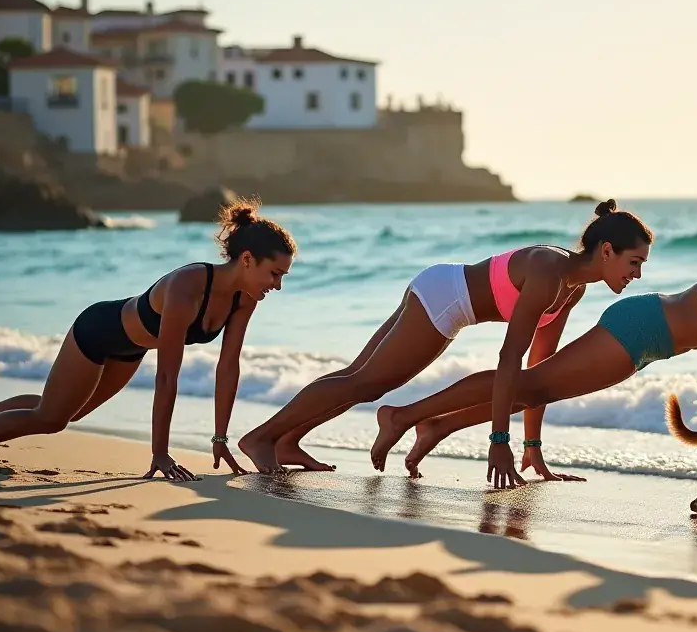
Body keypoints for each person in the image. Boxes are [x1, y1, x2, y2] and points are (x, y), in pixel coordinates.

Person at [372, 196, 697, 488]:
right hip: (641, 328)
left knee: (535, 387)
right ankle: (407, 418)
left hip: (649, 341)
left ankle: (433, 427)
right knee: (531, 383)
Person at [239, 200, 653, 475]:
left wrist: (532, 446)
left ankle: (288, 440)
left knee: (359, 377)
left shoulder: (572, 289)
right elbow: (508, 359)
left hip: (443, 289)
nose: (636, 275)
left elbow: (535, 374)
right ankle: (263, 437)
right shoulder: (549, 271)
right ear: (605, 250)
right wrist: (497, 441)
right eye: (633, 262)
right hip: (446, 298)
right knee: (367, 383)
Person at [0, 201, 295, 479]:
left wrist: (220, 438)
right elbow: (166, 377)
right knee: (52, 418)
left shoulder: (244, 298)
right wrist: (160, 453)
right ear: (248, 259)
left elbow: (227, 368)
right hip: (98, 330)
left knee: (70, 410)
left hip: (130, 349)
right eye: (274, 274)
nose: (277, 286)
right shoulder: (187, 287)